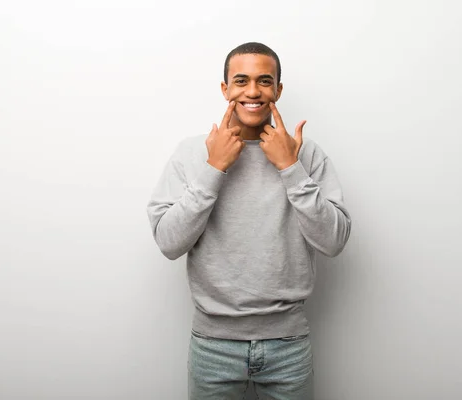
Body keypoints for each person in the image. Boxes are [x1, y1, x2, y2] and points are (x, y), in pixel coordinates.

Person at [147, 42, 351, 400]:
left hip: (288, 345)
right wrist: (215, 168)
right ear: (225, 88)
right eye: (241, 81)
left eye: (264, 81)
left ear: (278, 90)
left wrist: (290, 167)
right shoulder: (193, 153)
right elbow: (168, 242)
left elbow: (334, 241)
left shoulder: (306, 154)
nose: (253, 91)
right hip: (213, 346)